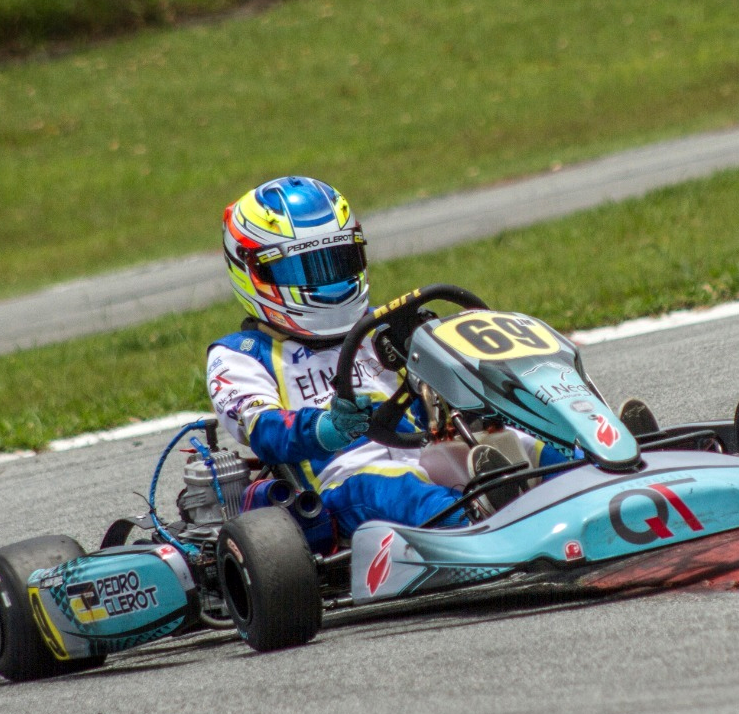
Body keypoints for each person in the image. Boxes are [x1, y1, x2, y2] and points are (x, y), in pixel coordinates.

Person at [207, 176, 557, 554]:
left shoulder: (384, 327)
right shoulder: (240, 355)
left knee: (520, 443)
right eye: (304, 270)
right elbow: (261, 428)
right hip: (344, 480)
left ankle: (599, 471)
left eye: (338, 261)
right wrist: (325, 428)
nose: (329, 281)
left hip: (426, 451)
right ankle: (490, 531)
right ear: (253, 271)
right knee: (397, 487)